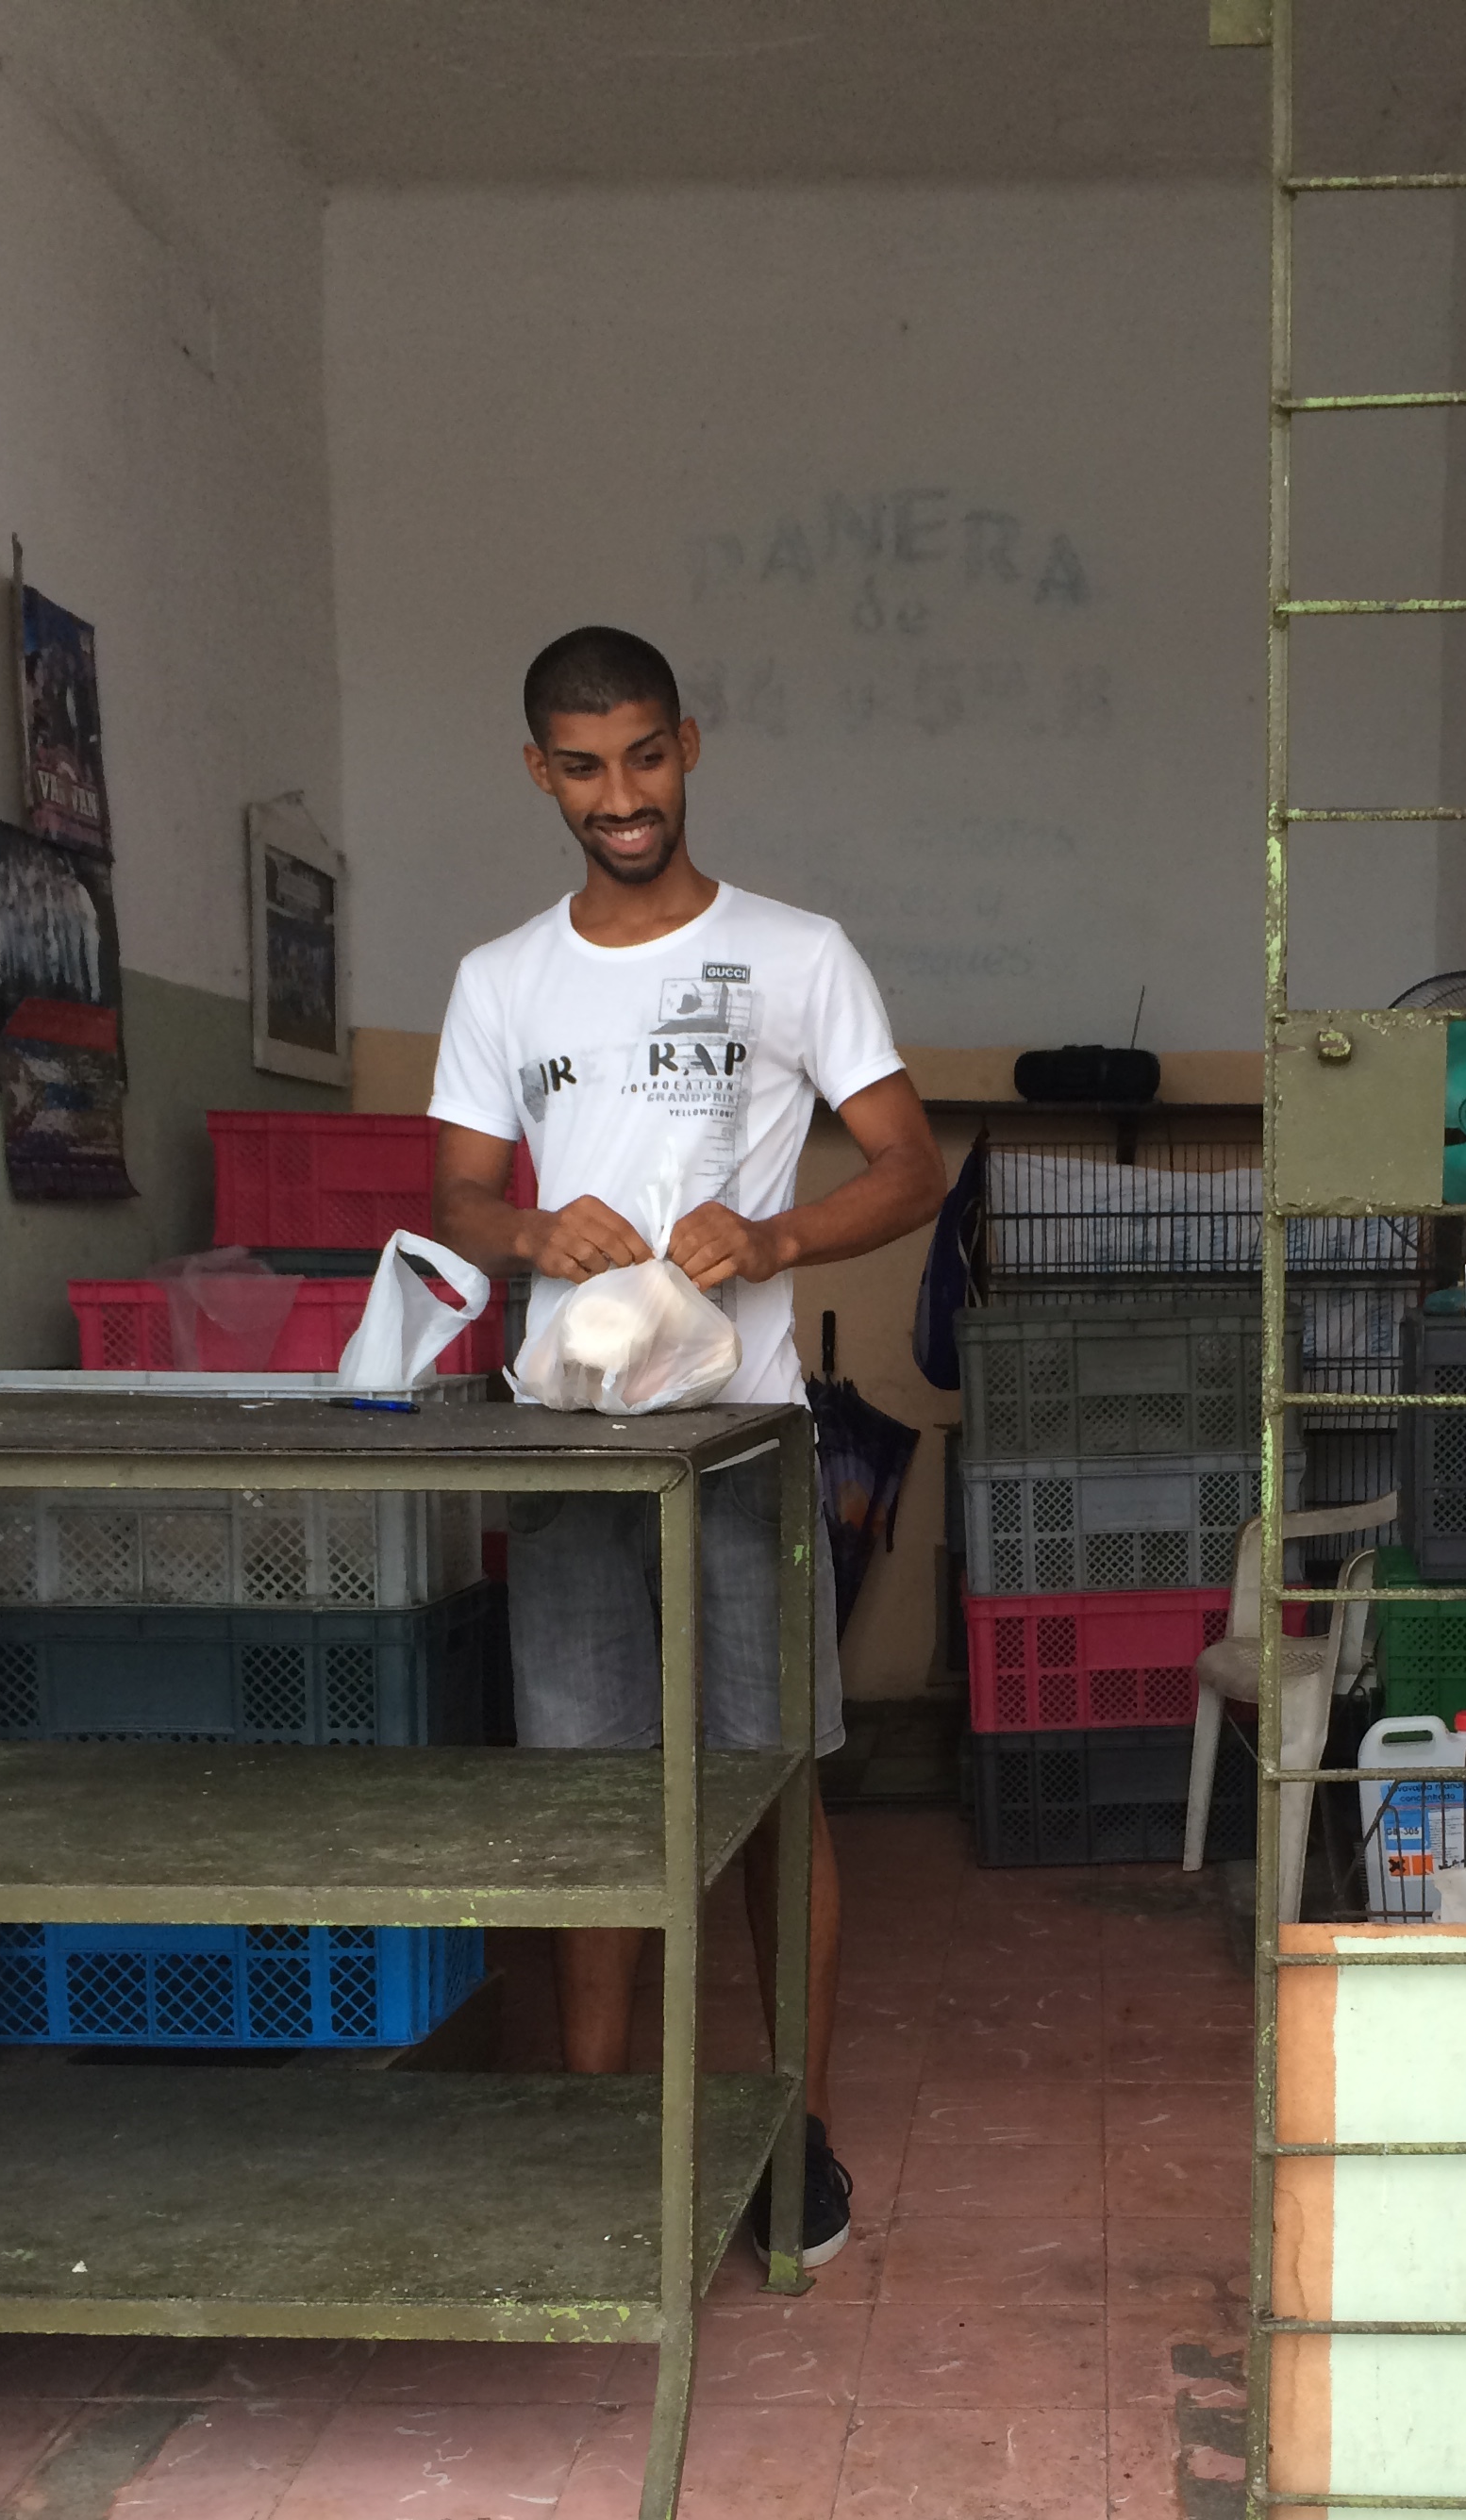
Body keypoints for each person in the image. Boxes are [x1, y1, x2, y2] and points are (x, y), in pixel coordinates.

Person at [431, 623, 945, 2265]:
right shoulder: (501, 979)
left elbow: (911, 1166)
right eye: (583, 766)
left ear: (689, 747)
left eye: (644, 755)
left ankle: (791, 2134)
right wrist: (527, 1231)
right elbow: (452, 1194)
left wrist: (779, 1242)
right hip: (573, 1452)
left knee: (772, 1797)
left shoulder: (797, 954)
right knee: (597, 1801)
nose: (620, 794)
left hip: (742, 1446)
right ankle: (605, 2143)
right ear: (540, 774)